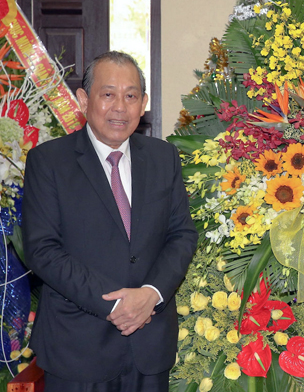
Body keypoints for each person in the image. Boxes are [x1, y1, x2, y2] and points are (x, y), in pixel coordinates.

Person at [22, 51, 198, 391]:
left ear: (143, 103)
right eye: (108, 94)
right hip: (76, 348)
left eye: (131, 96)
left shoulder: (164, 157)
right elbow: (42, 251)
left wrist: (151, 293)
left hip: (150, 345)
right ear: (84, 99)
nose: (120, 106)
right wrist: (118, 304)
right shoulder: (49, 161)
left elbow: (182, 235)